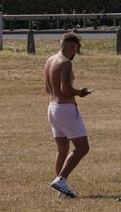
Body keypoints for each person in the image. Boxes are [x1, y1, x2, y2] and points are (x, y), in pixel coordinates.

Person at [45, 32, 93, 198]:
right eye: (76, 50)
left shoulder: (50, 60)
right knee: (82, 147)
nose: (75, 54)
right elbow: (66, 90)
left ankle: (61, 189)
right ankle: (61, 180)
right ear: (72, 47)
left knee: (63, 149)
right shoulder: (66, 63)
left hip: (52, 108)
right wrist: (80, 92)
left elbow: (48, 89)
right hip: (65, 109)